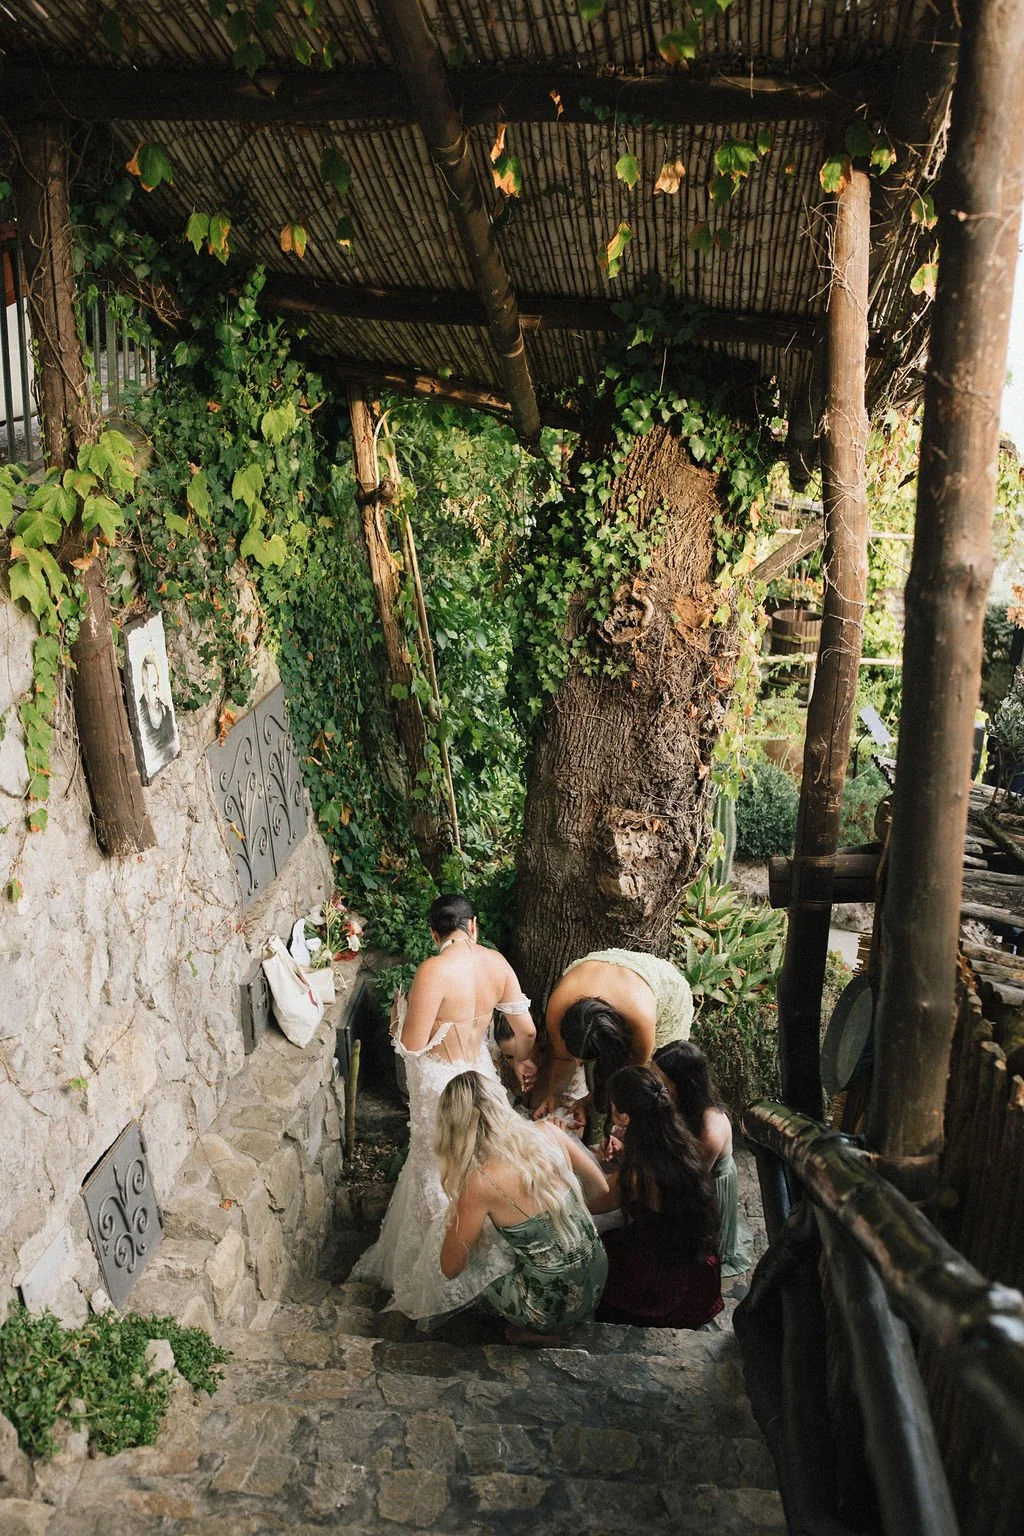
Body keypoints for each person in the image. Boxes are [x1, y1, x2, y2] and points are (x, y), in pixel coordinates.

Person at [351, 894, 536, 1323]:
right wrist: (518, 1066)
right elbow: (525, 1031)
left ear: (435, 933)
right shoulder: (496, 963)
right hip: (481, 1080)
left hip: (441, 1088)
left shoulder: (434, 970)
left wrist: (399, 1017)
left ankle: (429, 1269)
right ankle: (478, 1257)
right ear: (473, 925)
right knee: (481, 1166)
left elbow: (413, 1046)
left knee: (435, 1168)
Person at [436, 1070, 609, 1343]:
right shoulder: (549, 1130)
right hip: (598, 1276)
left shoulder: (480, 1182)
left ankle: (541, 1331)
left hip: (549, 1310)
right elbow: (601, 1188)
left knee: (481, 1255)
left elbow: (450, 1268)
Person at [594, 1065, 722, 1329]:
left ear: (625, 1118)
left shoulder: (637, 1172)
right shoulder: (680, 1140)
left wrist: (566, 1153)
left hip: (660, 1273)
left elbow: (595, 1202)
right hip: (695, 1258)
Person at [533, 949, 694, 1120]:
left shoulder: (640, 1022)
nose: (578, 1063)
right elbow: (563, 1058)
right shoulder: (558, 1006)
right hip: (608, 970)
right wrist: (553, 1096)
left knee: (652, 1085)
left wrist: (591, 1101)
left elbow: (631, 1074)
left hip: (666, 992)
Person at [653, 1040, 753, 1277]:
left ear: (683, 1085)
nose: (656, 1087)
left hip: (705, 1188)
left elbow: (689, 1180)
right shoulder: (676, 1104)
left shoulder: (712, 1128)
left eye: (663, 1084)